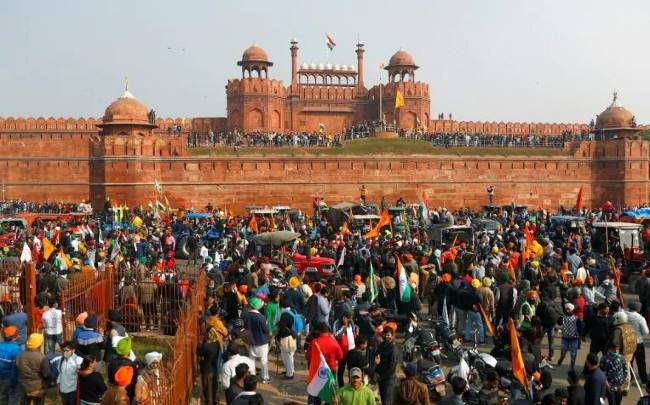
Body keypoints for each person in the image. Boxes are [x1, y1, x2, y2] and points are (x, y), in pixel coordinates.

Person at [16, 333, 50, 405]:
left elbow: (16, 371)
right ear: (39, 344)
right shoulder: (42, 357)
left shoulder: (19, 355)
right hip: (38, 389)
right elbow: (46, 374)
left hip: (23, 387)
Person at [243, 297, 271, 383]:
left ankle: (252, 377)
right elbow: (266, 330)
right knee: (263, 360)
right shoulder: (261, 317)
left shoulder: (246, 315)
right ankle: (265, 378)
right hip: (262, 342)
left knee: (251, 359)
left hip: (251, 341)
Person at [375, 326, 399, 405]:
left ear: (392, 335)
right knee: (383, 399)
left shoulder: (393, 349)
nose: (386, 337)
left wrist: (382, 377)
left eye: (388, 335)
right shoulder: (381, 345)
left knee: (387, 401)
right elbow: (376, 356)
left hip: (389, 379)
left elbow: (392, 367)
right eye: (385, 335)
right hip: (380, 378)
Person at [198, 324, 221, 405]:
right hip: (214, 369)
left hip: (206, 370)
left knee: (208, 391)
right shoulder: (217, 344)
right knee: (214, 388)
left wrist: (200, 344)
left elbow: (199, 352)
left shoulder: (206, 347)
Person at [0, 326, 23, 403]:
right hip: (11, 379)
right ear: (15, 336)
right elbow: (18, 367)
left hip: (1, 378)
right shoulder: (16, 349)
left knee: (2, 397)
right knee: (14, 398)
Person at [627, 301, 649, 383]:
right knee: (641, 362)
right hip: (638, 342)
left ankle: (630, 377)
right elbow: (646, 332)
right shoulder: (640, 318)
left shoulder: (625, 315)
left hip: (628, 342)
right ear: (638, 309)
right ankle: (644, 379)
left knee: (629, 361)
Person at [57, 341, 84, 405]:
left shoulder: (78, 360)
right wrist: (58, 392)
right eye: (64, 350)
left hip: (73, 392)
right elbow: (59, 376)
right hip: (63, 391)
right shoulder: (61, 360)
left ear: (73, 350)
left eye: (67, 350)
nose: (65, 352)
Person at [276, 298, 297, 380]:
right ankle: (290, 370)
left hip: (286, 338)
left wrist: (278, 336)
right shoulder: (292, 312)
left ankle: (289, 374)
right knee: (290, 355)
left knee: (286, 356)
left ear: (281, 305)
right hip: (293, 336)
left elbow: (283, 328)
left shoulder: (284, 315)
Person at [557, 303, 582, 370]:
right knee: (563, 353)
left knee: (573, 355)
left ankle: (572, 367)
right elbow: (559, 323)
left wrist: (579, 339)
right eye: (566, 309)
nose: (567, 310)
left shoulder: (576, 318)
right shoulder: (563, 317)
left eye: (569, 309)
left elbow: (580, 329)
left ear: (572, 310)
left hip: (574, 339)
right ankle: (561, 359)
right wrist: (561, 316)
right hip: (565, 338)